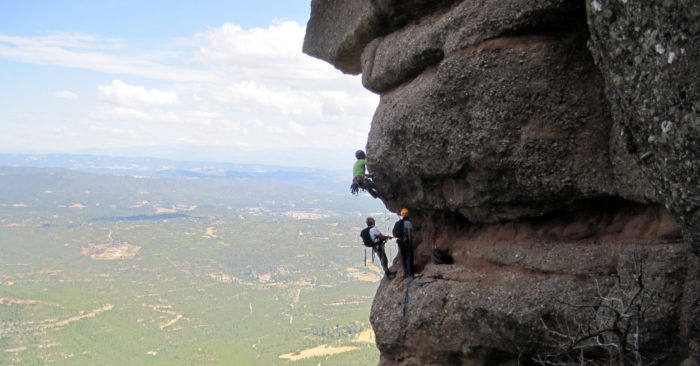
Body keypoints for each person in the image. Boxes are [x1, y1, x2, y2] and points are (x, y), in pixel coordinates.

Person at [394, 208, 415, 278]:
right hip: (406, 241)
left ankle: (405, 272)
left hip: (400, 242)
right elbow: (409, 233)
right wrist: (411, 240)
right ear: (407, 214)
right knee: (409, 256)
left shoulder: (398, 222)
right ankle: (410, 273)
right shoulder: (407, 222)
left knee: (403, 257)